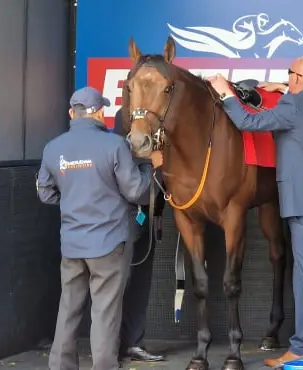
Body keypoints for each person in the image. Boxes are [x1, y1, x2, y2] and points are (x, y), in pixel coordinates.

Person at [207, 56, 303, 367]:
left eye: (290, 74)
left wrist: (225, 92)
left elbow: (248, 122)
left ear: (297, 79)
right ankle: (302, 344)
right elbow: (298, 108)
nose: (286, 77)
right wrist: (285, 89)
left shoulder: (292, 107)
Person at [36, 86, 163, 370]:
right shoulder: (114, 145)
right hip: (108, 244)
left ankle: (60, 366)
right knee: (105, 313)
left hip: (72, 244)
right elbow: (137, 193)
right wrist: (150, 167)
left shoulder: (53, 148)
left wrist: (71, 198)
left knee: (68, 309)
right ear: (100, 113)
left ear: (72, 113)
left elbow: (45, 194)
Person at [112, 107, 167, 362]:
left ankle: (133, 342)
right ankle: (110, 347)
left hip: (148, 212)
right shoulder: (124, 117)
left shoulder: (162, 115)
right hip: (125, 215)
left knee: (141, 281)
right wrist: (150, 163)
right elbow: (125, 166)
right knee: (119, 283)